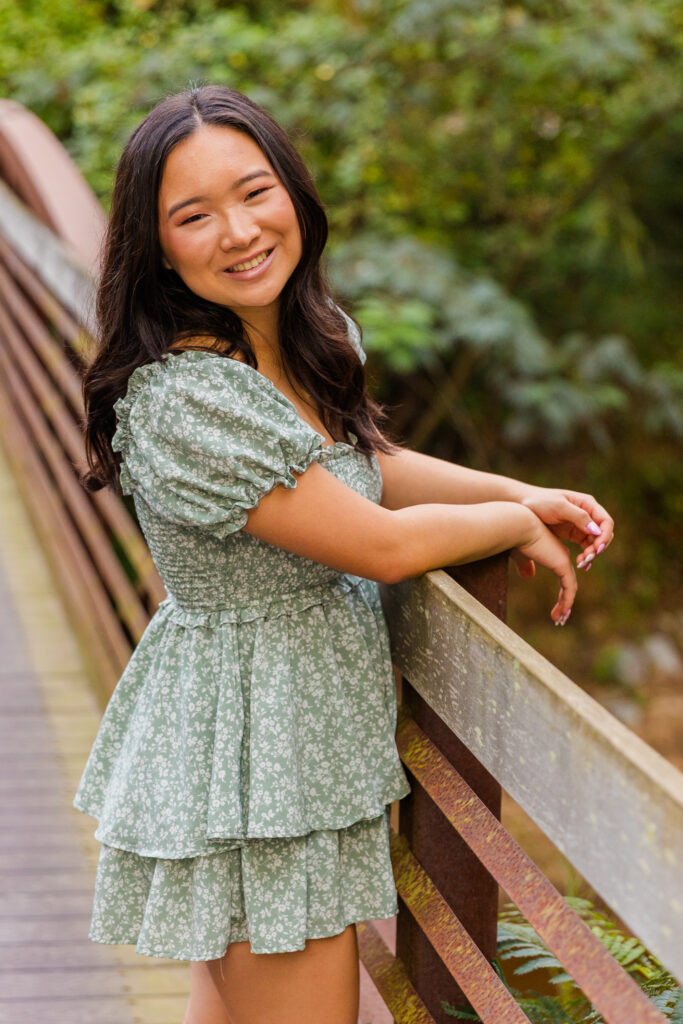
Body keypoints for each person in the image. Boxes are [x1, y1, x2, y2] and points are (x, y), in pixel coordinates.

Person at [73, 85, 613, 1024]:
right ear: (155, 245)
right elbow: (380, 545)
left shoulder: (301, 338)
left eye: (254, 193)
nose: (238, 232)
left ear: (293, 192)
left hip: (294, 731)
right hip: (250, 751)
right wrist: (506, 525)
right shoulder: (190, 397)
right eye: (194, 216)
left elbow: (363, 469)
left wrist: (513, 492)